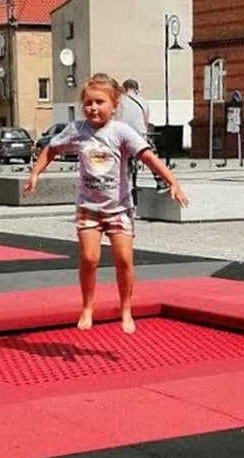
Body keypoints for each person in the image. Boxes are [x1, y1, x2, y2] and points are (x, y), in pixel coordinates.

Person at [24, 73, 187, 334]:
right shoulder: (77, 130)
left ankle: (125, 309)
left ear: (114, 104)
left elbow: (148, 157)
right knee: (89, 258)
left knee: (124, 259)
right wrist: (35, 173)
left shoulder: (121, 132)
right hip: (89, 208)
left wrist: (172, 182)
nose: (93, 108)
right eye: (88, 103)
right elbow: (51, 149)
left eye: (99, 102)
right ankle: (88, 306)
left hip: (119, 208)